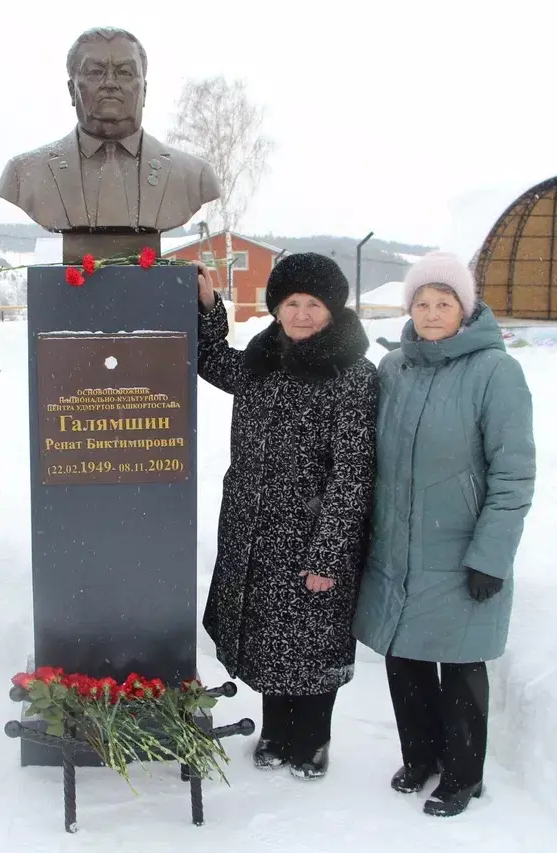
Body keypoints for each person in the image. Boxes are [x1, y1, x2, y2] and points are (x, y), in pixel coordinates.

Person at [352, 251, 536, 817]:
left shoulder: (496, 372)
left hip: (459, 551)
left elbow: (513, 474)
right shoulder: (394, 370)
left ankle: (462, 776)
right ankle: (421, 756)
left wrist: (491, 556)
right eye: (422, 303)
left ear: (465, 307)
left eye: (444, 303)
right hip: (398, 545)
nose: (432, 314)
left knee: (458, 665)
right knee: (404, 659)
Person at [196, 253, 378, 780]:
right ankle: (276, 732)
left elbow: (352, 473)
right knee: (271, 635)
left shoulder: (353, 376)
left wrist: (329, 553)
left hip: (313, 530)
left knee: (312, 639)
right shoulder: (262, 364)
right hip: (256, 527)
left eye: (313, 304)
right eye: (291, 303)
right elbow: (211, 360)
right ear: (276, 308)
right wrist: (210, 308)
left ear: (333, 310)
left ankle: (313, 739)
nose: (301, 314)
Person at [0, 26, 219, 232]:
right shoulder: (24, 173)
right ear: (72, 90)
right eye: (95, 72)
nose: (110, 83)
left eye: (124, 72)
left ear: (145, 91)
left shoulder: (195, 176)